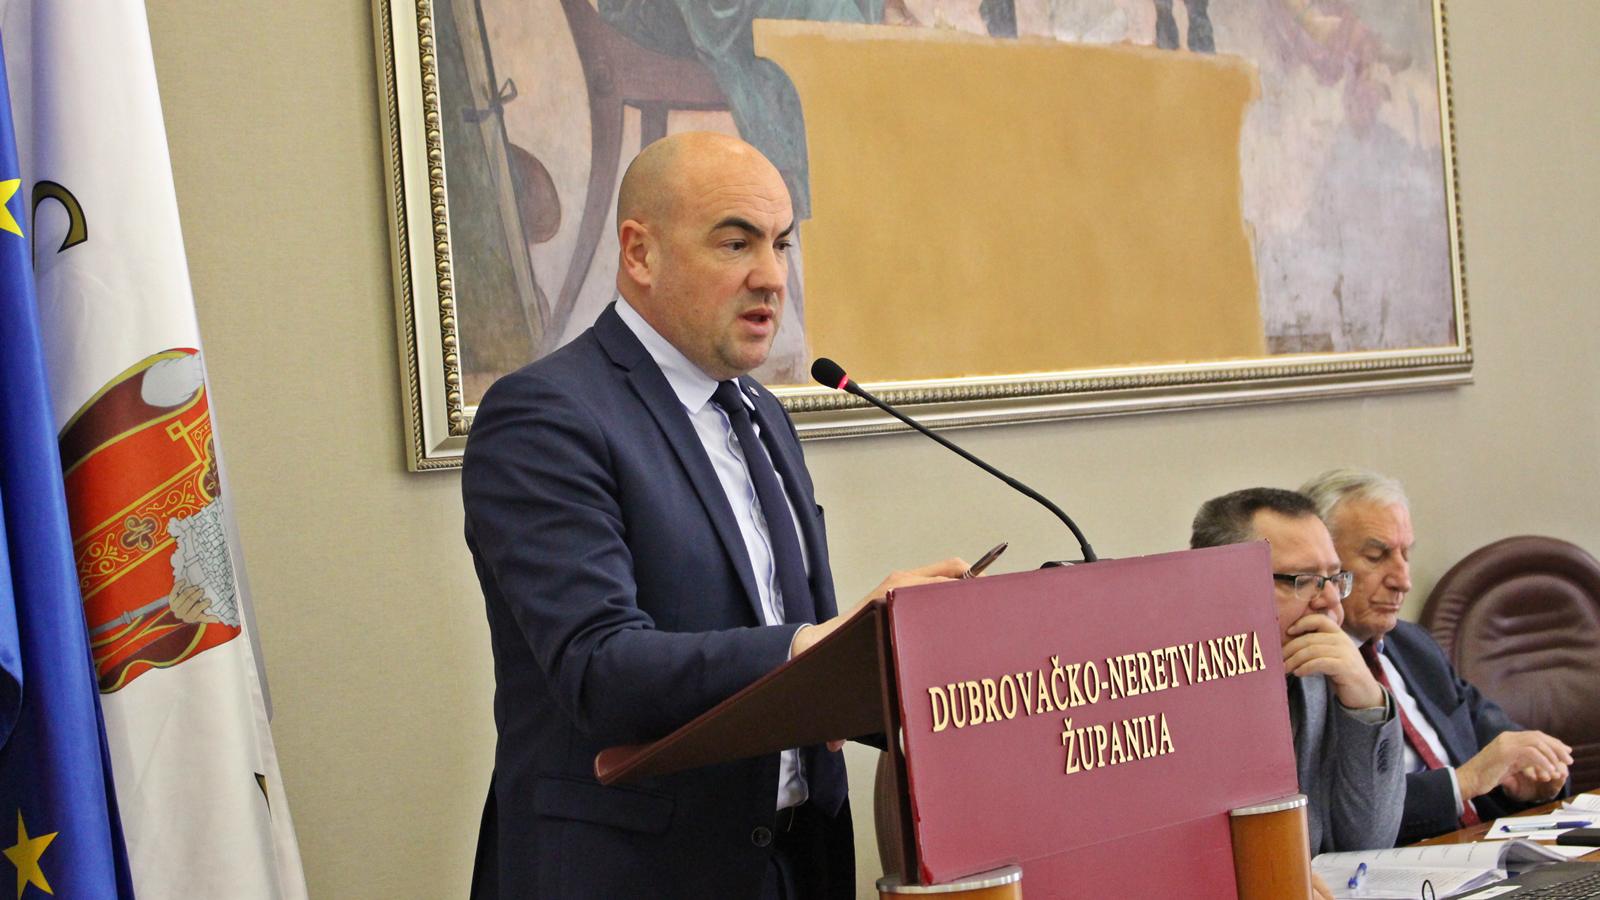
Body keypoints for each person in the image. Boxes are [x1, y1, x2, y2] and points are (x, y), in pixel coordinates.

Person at [462, 131, 965, 899]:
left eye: (781, 244)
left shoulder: (759, 410)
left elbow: (784, 644)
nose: (772, 277)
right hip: (635, 874)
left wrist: (916, 662)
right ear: (641, 253)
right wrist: (810, 649)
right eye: (736, 243)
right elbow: (599, 666)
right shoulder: (545, 416)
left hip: (796, 862)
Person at [1301, 469, 1573, 844]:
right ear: (1323, 568)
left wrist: (1534, 779)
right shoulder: (1301, 674)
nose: (1403, 580)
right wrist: (1461, 783)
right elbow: (1335, 818)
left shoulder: (1412, 644)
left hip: (1489, 849)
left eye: (1405, 555)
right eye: (1377, 557)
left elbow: (1496, 742)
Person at [1192, 488, 1403, 898]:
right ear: (1219, 585)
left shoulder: (1315, 667)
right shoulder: (1179, 696)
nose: (1331, 604)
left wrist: (1366, 703)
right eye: (1303, 581)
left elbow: (1369, 843)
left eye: (1335, 579)